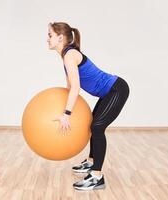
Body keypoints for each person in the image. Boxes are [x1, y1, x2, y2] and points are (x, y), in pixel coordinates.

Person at [48, 22, 130, 191]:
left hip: (116, 89)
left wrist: (67, 114)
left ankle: (97, 177)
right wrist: (64, 109)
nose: (47, 39)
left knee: (97, 127)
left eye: (50, 35)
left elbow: (76, 88)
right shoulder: (66, 55)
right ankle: (91, 162)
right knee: (93, 124)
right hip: (108, 92)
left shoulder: (70, 55)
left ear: (60, 38)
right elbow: (70, 86)